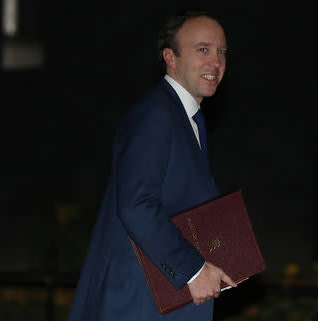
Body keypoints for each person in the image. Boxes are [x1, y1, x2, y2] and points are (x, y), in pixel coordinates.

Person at [67, 9, 236, 321]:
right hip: (141, 305)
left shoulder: (186, 120)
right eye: (203, 50)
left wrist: (226, 257)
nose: (216, 62)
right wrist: (192, 270)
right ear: (170, 58)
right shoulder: (156, 115)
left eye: (221, 51)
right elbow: (136, 204)